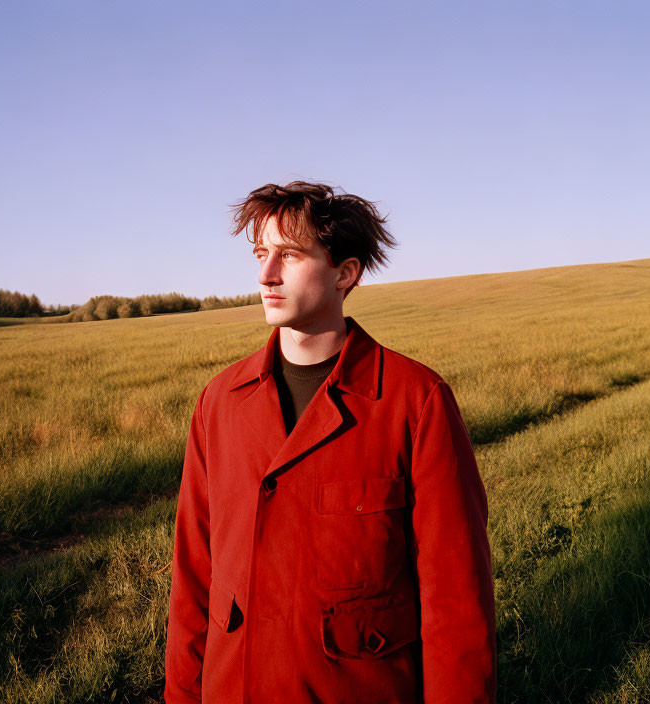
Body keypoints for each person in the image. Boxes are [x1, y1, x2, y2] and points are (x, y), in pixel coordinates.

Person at [164, 181, 496, 703]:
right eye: (260, 253)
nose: (265, 274)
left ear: (345, 273)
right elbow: (193, 580)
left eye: (289, 255)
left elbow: (456, 601)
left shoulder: (415, 403)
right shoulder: (219, 403)